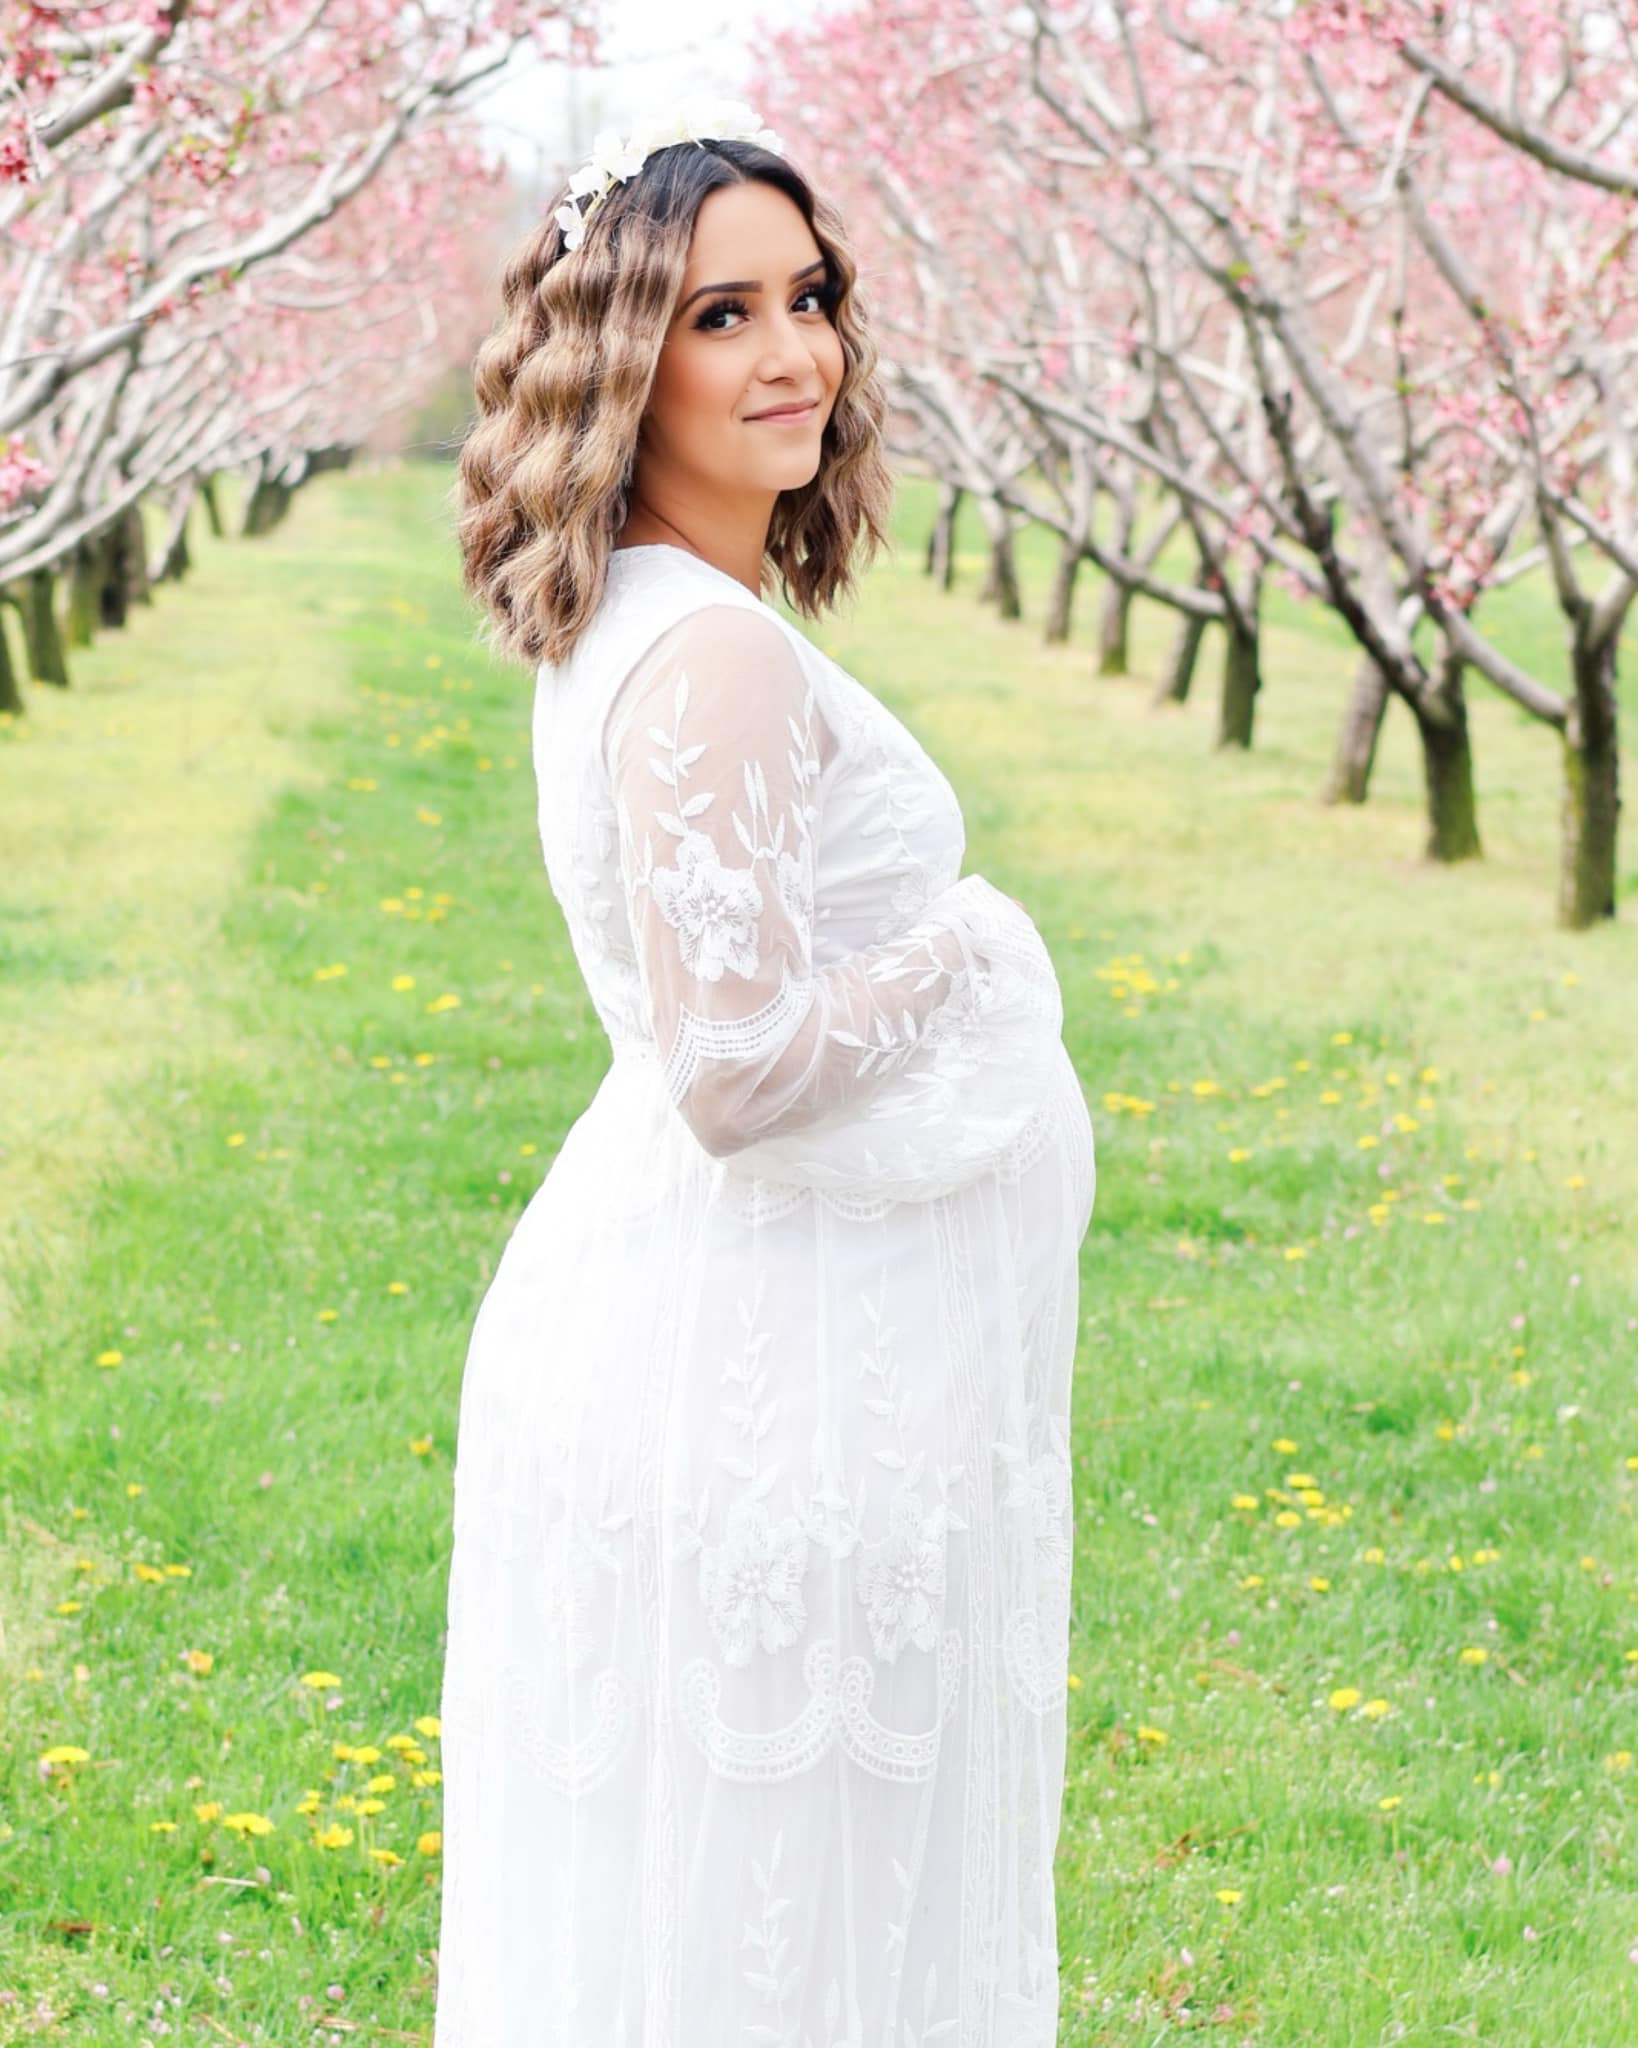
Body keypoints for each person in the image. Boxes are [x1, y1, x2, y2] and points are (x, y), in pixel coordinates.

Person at [434, 94, 1097, 2048]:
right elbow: (732, 1063)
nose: (794, 351)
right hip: (766, 1376)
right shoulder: (705, 654)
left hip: (740, 1325)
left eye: (807, 297)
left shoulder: (655, 617)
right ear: (622, 359)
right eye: (721, 316)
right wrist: (967, 955)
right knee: (774, 1924)